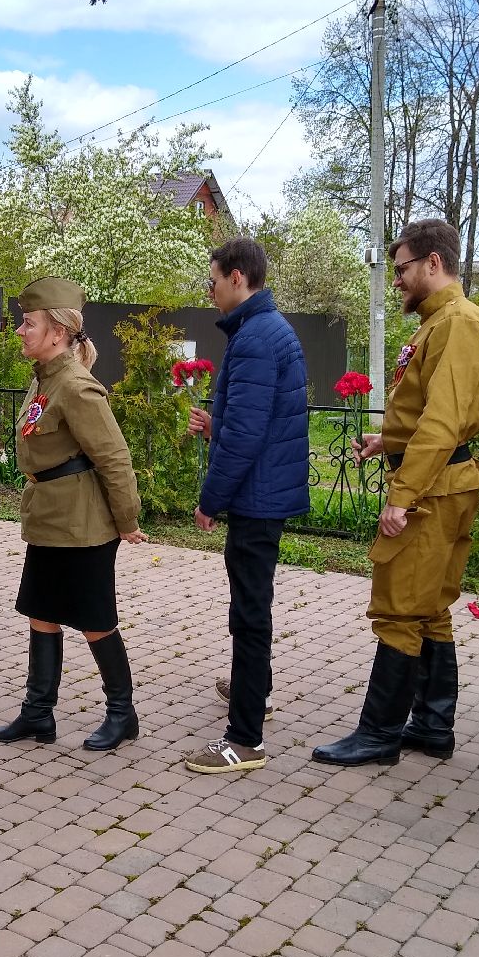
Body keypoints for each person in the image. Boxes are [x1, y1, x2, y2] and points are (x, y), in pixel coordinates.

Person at [312, 219, 479, 768]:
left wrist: (402, 495)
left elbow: (443, 420)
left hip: (432, 491)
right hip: (440, 483)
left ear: (433, 265)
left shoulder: (457, 323)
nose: (397, 281)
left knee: (398, 611)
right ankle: (432, 725)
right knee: (428, 610)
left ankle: (379, 735)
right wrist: (386, 438)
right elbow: (426, 411)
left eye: (402, 270)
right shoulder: (441, 322)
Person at [0, 277, 148, 752]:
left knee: (95, 619)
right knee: (40, 612)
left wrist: (128, 520)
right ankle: (39, 714)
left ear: (57, 332)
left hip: (83, 527)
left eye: (28, 323)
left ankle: (123, 714)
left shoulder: (76, 386)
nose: (20, 330)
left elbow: (113, 457)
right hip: (51, 519)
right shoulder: (45, 379)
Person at [182, 237, 309, 774]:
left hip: (256, 498)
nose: (209, 292)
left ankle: (245, 738)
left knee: (250, 612)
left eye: (212, 281)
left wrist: (211, 499)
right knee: (251, 605)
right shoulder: (263, 329)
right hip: (264, 490)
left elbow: (249, 436)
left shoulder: (257, 336)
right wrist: (217, 424)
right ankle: (254, 693)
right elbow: (254, 422)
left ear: (238, 278)